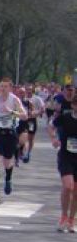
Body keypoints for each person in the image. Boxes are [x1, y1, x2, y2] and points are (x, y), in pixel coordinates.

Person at [0, 77, 26, 201]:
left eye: (5, 86)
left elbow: (25, 116)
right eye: (1, 86)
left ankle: (8, 179)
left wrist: (11, 112)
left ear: (10, 88)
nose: (2, 88)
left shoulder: (15, 100)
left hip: (10, 134)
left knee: (8, 163)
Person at [50, 85, 77, 232]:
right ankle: (63, 217)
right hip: (66, 156)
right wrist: (54, 138)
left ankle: (72, 220)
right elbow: (51, 126)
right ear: (73, 105)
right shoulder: (65, 118)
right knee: (68, 186)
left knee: (76, 191)